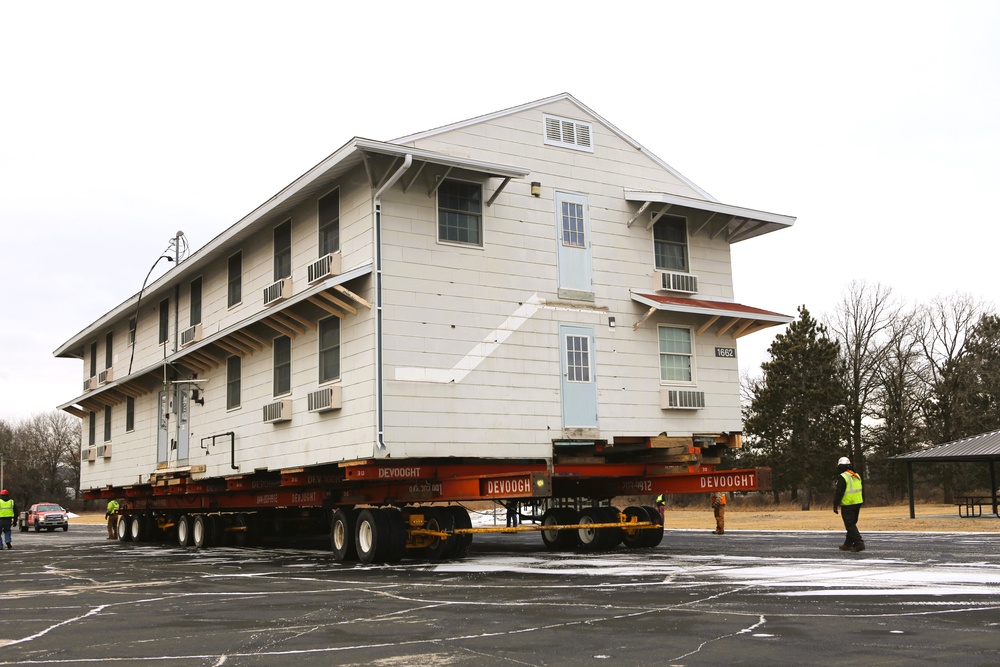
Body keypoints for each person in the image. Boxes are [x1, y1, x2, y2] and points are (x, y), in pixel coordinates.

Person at [833, 456, 865, 552]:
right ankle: (848, 544)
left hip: (848, 504)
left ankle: (859, 543)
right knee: (852, 524)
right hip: (857, 502)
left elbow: (839, 492)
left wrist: (835, 504)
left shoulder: (843, 477)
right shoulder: (856, 475)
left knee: (850, 524)